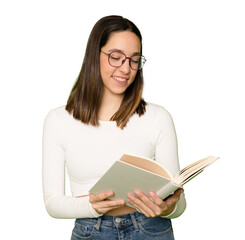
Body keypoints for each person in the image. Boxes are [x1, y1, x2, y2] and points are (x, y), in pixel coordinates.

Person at [42, 15, 186, 240]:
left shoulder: (158, 118)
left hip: (151, 229)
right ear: (94, 55)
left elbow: (179, 203)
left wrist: (167, 208)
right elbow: (53, 203)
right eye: (116, 57)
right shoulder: (59, 120)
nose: (126, 69)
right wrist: (93, 207)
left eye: (134, 60)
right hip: (92, 231)